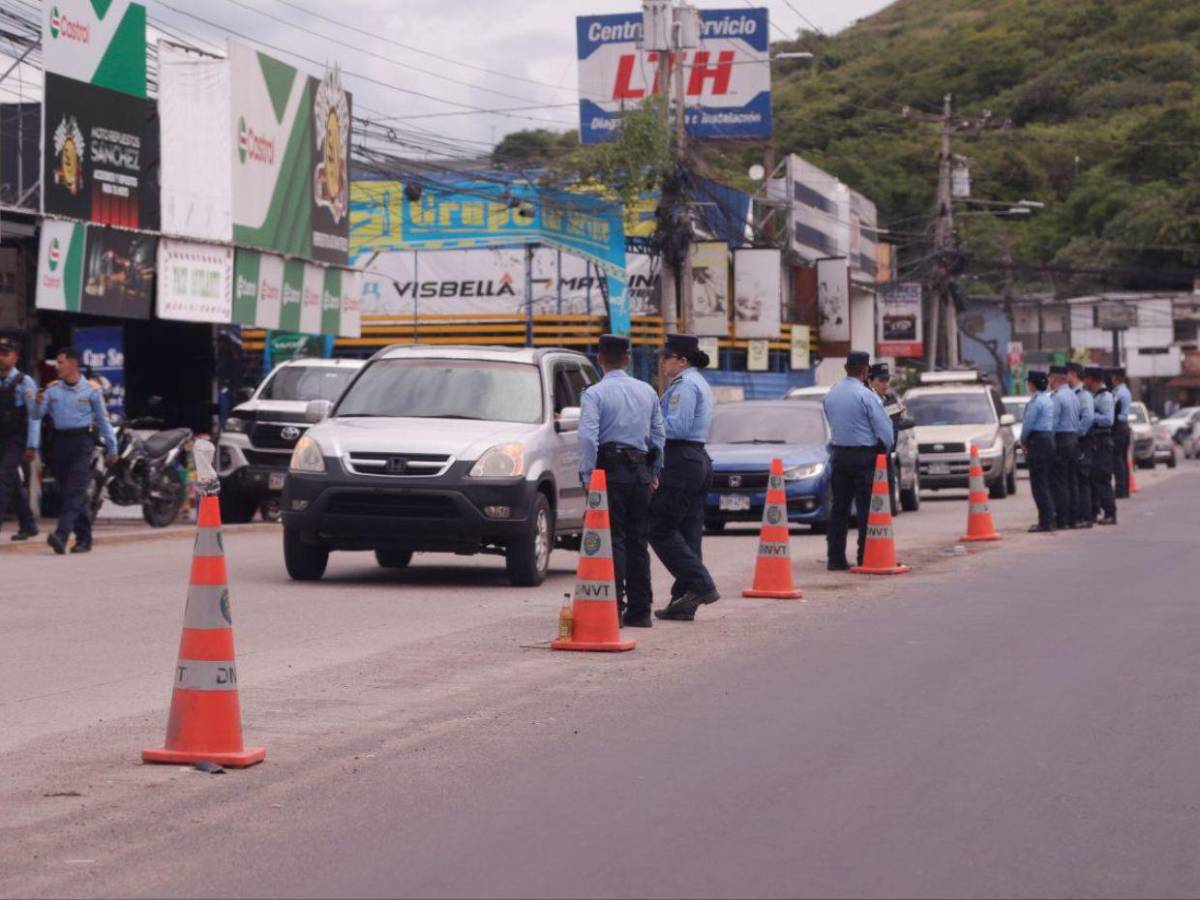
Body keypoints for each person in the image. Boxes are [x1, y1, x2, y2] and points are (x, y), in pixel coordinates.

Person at [578, 334, 665, 629]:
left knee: (611, 539)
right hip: (640, 471)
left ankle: (613, 607)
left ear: (599, 359)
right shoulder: (647, 391)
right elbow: (658, 435)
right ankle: (641, 610)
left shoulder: (594, 394)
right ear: (627, 358)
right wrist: (655, 472)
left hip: (610, 472)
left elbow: (588, 437)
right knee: (637, 541)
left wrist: (589, 476)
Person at [650, 333, 718, 622]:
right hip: (694, 458)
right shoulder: (695, 382)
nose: (662, 362)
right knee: (688, 531)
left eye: (666, 357)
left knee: (660, 528)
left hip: (681, 458)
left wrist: (648, 427)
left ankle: (701, 585)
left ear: (681, 360)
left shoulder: (685, 386)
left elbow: (676, 427)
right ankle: (684, 600)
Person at [36, 347, 117, 554]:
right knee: (69, 492)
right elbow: (36, 415)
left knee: (75, 490)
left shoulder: (92, 390)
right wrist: (35, 403)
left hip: (83, 442)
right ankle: (84, 539)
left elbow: (103, 420)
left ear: (73, 364)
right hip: (60, 442)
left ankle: (61, 535)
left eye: (61, 362)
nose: (57, 367)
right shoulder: (52, 389)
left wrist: (112, 447)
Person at [822, 351, 894, 570]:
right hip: (864, 456)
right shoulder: (866, 395)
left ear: (846, 369)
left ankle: (835, 558)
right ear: (865, 371)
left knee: (839, 509)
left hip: (839, 455)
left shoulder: (832, 393)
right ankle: (865, 556)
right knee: (866, 509)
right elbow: (884, 430)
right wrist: (886, 448)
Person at [0, 338, 41, 541]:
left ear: (15, 357)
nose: (1, 357)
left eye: (5, 353)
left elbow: (34, 416)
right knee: (13, 484)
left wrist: (32, 444)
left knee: (4, 478)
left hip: (16, 439)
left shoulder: (25, 382)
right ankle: (28, 524)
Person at [867, 362, 913, 515]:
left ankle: (889, 513)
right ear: (870, 380)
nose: (885, 384)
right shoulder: (867, 399)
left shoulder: (891, 398)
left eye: (887, 380)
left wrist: (901, 417)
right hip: (870, 451)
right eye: (881, 380)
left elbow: (898, 421)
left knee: (889, 484)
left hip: (887, 452)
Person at [1022, 370, 1057, 532]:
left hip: (1038, 442)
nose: (1027, 384)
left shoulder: (1036, 402)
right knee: (1046, 482)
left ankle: (1045, 521)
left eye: (1028, 382)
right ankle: (1049, 518)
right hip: (1048, 441)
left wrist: (1023, 440)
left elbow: (1028, 424)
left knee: (1039, 485)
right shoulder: (1048, 400)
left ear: (1033, 384)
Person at [1085, 366, 1118, 526]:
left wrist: (1092, 417)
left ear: (1093, 379)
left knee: (1102, 478)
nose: (1085, 381)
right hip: (1096, 441)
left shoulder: (1105, 396)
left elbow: (1108, 420)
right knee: (1095, 477)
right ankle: (1097, 510)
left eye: (1087, 377)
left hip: (1103, 441)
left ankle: (1110, 513)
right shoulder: (1096, 396)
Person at [1048, 365, 1079, 530]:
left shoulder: (1057, 397)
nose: (1049, 382)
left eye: (1050, 378)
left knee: (1059, 482)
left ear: (1055, 378)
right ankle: (1073, 518)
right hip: (1073, 438)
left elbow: (1053, 424)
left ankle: (1062, 518)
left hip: (1061, 439)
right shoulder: (1074, 395)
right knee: (1072, 480)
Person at [1067, 362, 1094, 529]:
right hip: (1077, 442)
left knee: (1083, 480)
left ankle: (1086, 516)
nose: (1067, 377)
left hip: (1083, 442)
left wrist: (1077, 434)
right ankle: (1079, 515)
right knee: (1076, 479)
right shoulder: (1073, 394)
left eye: (1068, 374)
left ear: (1074, 375)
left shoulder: (1083, 395)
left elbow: (1088, 418)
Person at [1111, 367, 1132, 499]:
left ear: (1116, 378)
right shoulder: (1123, 391)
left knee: (1118, 460)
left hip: (1119, 428)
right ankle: (1125, 488)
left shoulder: (1120, 393)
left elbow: (1117, 412)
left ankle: (1121, 489)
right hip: (1123, 428)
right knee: (1123, 460)